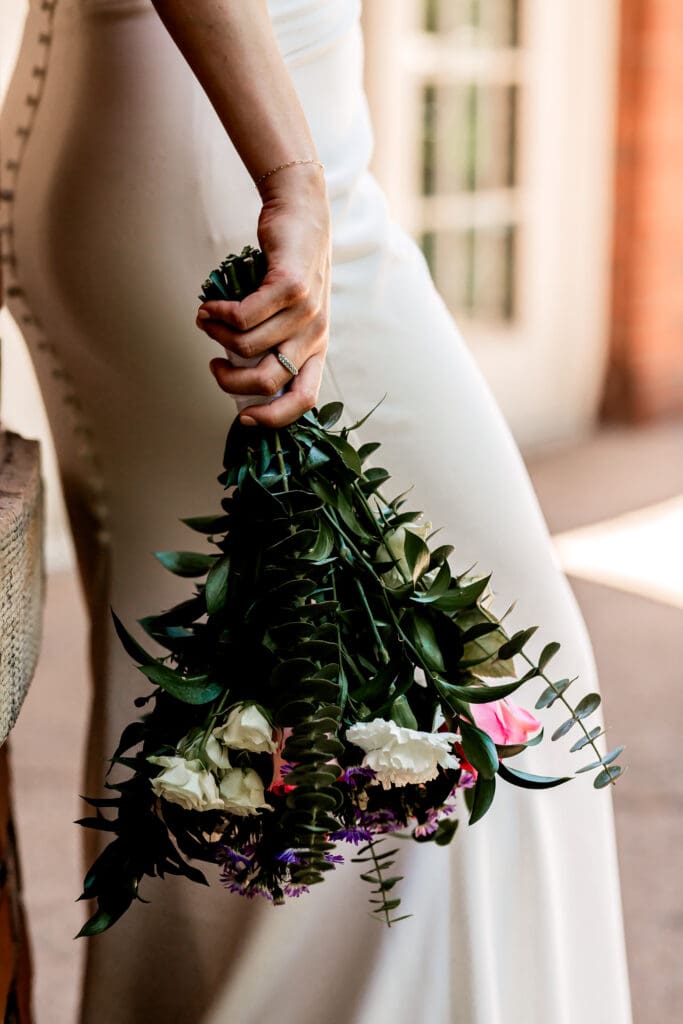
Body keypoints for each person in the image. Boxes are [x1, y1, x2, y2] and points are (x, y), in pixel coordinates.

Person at [0, 1, 632, 1022]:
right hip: (239, 175)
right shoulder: (272, 178)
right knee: (484, 689)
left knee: (239, 719)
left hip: (173, 133)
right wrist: (290, 175)